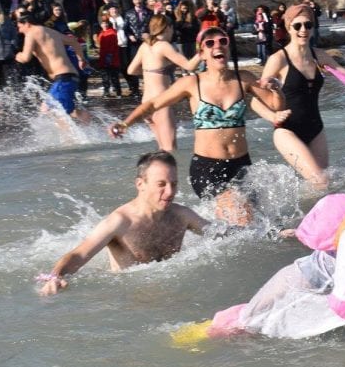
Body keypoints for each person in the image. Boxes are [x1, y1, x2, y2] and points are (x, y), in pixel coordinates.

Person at [108, 26, 285, 225]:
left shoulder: (244, 78)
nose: (217, 45)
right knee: (243, 219)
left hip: (242, 165)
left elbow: (275, 105)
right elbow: (153, 104)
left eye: (223, 41)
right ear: (201, 54)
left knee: (263, 224)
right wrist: (125, 123)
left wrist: (277, 90)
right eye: (210, 43)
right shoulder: (191, 83)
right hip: (208, 169)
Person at [251, 4, 345, 190]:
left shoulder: (319, 56)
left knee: (324, 186)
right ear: (289, 27)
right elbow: (255, 101)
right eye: (297, 26)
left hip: (316, 129)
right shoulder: (278, 59)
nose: (303, 30)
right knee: (320, 181)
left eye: (308, 25)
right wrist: (273, 116)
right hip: (286, 130)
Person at [37, 151, 211, 296]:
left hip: (172, 293)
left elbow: (219, 234)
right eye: (161, 184)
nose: (170, 191)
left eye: (174, 184)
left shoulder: (182, 215)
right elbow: (79, 255)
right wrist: (55, 277)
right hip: (130, 297)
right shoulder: (120, 222)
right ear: (140, 184)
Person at [127, 14, 201, 151]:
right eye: (172, 28)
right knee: (170, 149)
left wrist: (150, 72)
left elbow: (131, 70)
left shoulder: (145, 46)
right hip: (161, 103)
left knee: (162, 149)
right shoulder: (164, 46)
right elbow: (189, 66)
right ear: (167, 28)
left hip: (146, 103)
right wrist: (202, 52)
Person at [14, 11, 91, 123]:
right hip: (69, 77)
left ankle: (72, 135)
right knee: (59, 110)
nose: (19, 31)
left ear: (27, 24)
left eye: (20, 27)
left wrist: (17, 56)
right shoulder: (51, 32)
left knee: (53, 111)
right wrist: (81, 59)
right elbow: (74, 41)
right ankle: (91, 128)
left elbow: (26, 57)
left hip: (63, 78)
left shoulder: (31, 33)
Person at [123, 0, 151, 98]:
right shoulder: (128, 13)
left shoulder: (149, 12)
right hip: (134, 43)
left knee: (147, 64)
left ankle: (148, 86)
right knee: (134, 64)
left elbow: (152, 26)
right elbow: (125, 28)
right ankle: (135, 89)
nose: (138, 1)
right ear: (133, 1)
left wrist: (148, 34)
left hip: (146, 42)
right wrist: (129, 35)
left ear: (142, 0)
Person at [96, 15, 122, 98]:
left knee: (114, 76)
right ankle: (107, 91)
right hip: (103, 57)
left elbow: (113, 46)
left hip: (111, 57)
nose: (104, 25)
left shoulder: (112, 32)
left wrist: (109, 56)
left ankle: (118, 92)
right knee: (105, 76)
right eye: (103, 23)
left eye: (106, 23)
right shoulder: (101, 33)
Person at [220, 0, 239, 69]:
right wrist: (225, 25)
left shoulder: (233, 13)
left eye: (226, 4)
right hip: (222, 34)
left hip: (230, 34)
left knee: (233, 50)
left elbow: (237, 25)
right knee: (223, 50)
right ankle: (224, 65)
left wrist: (232, 25)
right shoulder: (219, 13)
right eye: (223, 4)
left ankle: (236, 67)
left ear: (228, 5)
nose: (224, 5)